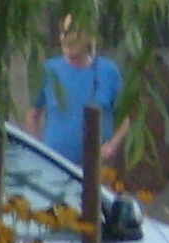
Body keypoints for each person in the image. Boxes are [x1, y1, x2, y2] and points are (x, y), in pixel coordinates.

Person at [33, 17, 126, 167]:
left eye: (74, 33)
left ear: (89, 37)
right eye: (64, 33)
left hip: (98, 169)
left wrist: (113, 145)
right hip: (55, 168)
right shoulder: (49, 70)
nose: (68, 39)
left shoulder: (108, 71)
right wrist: (38, 154)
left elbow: (127, 117)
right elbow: (32, 116)